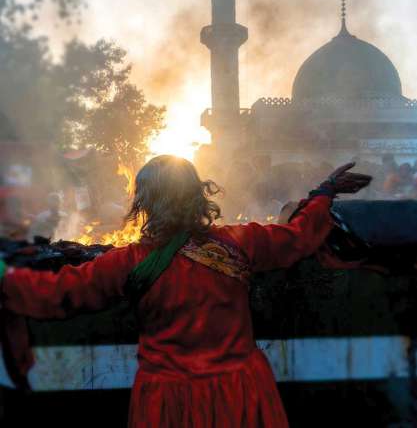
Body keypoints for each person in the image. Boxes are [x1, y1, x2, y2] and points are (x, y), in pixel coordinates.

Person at [0, 155, 371, 427]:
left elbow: (57, 294)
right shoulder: (240, 243)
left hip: (167, 405)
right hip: (240, 395)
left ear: (144, 201)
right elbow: (299, 236)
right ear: (198, 195)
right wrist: (323, 193)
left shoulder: (126, 262)